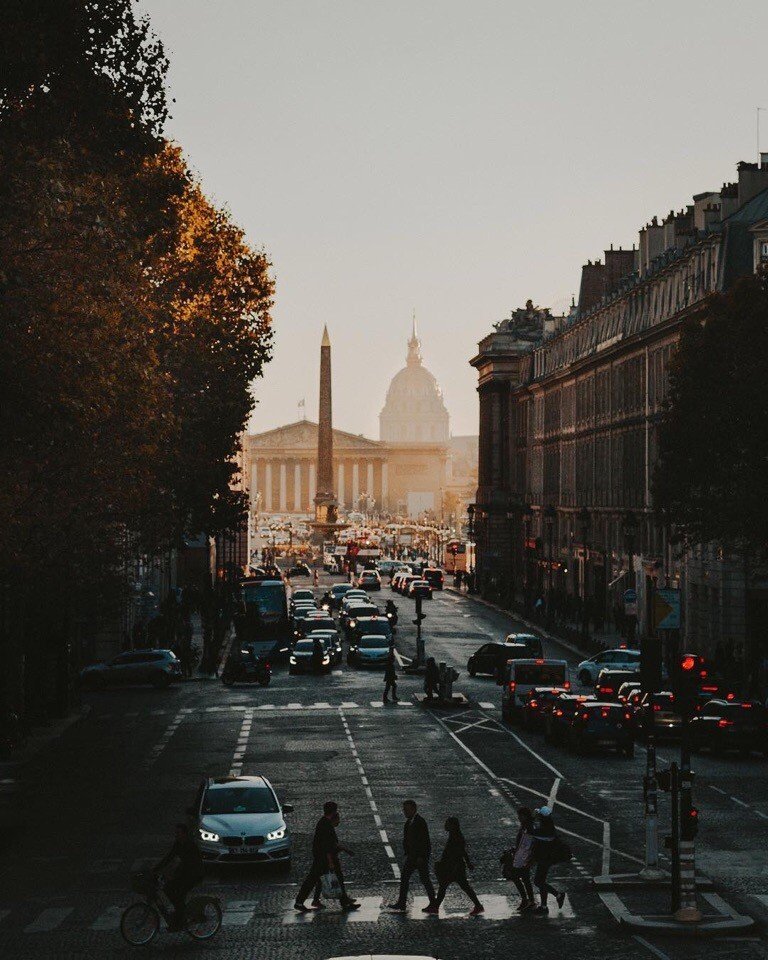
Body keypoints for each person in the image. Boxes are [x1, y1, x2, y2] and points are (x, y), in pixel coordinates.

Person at [295, 801, 359, 912]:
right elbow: (327, 846)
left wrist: (345, 850)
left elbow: (330, 843)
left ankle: (343, 901)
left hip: (321, 857)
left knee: (316, 879)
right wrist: (330, 862)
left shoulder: (323, 822)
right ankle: (344, 902)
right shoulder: (326, 825)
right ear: (334, 811)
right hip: (324, 858)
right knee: (317, 879)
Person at [386, 799, 437, 911]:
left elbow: (425, 841)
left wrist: (422, 857)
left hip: (418, 857)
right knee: (407, 878)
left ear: (414, 809)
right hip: (412, 856)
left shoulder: (420, 822)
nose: (405, 812)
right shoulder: (410, 822)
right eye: (404, 810)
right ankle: (402, 902)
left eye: (407, 810)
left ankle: (432, 904)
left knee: (424, 879)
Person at [428, 817, 483, 915]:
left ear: (453, 825)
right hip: (455, 866)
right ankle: (478, 906)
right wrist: (468, 863)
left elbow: (460, 852)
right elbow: (463, 851)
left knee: (445, 886)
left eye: (447, 824)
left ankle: (435, 907)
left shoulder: (456, 837)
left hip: (454, 867)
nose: (445, 825)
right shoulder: (455, 835)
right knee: (452, 887)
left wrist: (462, 864)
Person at [155, 823, 204, 930]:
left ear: (184, 834)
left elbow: (188, 865)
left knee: (179, 893)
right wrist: (155, 869)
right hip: (185, 873)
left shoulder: (190, 845)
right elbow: (170, 857)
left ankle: (182, 919)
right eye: (175, 833)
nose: (176, 835)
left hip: (194, 874)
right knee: (169, 889)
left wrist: (174, 875)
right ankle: (180, 913)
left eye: (178, 833)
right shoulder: (179, 843)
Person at [531, 806, 566, 914]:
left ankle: (558, 895)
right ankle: (544, 906)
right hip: (547, 859)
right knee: (541, 881)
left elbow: (532, 832)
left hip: (544, 859)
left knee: (538, 881)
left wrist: (532, 818)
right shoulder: (548, 826)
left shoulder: (544, 830)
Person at [503, 806, 536, 911]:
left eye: (520, 816)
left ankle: (527, 900)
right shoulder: (526, 826)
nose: (518, 818)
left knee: (516, 877)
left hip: (523, 857)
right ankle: (529, 900)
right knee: (524, 878)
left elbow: (527, 843)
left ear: (525, 816)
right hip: (522, 856)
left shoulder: (528, 828)